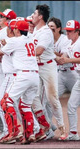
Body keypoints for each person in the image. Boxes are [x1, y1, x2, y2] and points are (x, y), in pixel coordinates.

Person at [0, 20, 39, 145]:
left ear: (17, 30)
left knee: (6, 102)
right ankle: (29, 134)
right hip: (35, 75)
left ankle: (12, 132)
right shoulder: (30, 40)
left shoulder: (14, 41)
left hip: (23, 75)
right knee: (25, 106)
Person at [31, 4, 67, 141]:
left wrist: (24, 53)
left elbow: (39, 51)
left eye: (35, 14)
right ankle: (45, 127)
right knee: (33, 97)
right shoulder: (35, 30)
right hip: (36, 67)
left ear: (40, 17)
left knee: (52, 98)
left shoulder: (46, 31)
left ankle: (62, 128)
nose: (33, 16)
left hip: (47, 67)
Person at [57, 20, 80, 141]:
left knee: (72, 105)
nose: (68, 33)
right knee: (71, 105)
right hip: (78, 77)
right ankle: (73, 133)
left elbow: (71, 59)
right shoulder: (71, 43)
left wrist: (68, 60)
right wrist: (60, 58)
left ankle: (73, 134)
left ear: (77, 32)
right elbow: (64, 56)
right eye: (67, 31)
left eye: (70, 31)